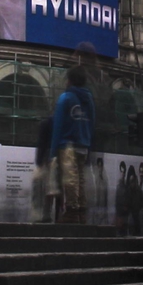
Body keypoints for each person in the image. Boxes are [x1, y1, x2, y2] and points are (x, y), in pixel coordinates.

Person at [50, 66, 95, 225]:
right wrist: (89, 143)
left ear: (70, 80)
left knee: (70, 178)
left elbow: (58, 125)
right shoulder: (88, 99)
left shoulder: (66, 98)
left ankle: (71, 211)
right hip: (83, 144)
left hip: (67, 145)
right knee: (80, 178)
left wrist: (53, 151)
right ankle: (82, 211)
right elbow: (92, 123)